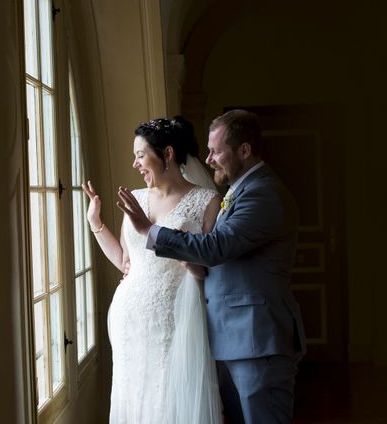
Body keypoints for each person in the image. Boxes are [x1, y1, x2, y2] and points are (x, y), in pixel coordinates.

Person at [117, 109, 307, 424]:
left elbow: (217, 247)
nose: (207, 159)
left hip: (258, 343)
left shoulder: (263, 194)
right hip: (235, 339)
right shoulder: (239, 190)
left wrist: (148, 231)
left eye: (216, 151)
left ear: (244, 151)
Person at [83, 116, 223, 423]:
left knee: (167, 401)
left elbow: (208, 268)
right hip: (128, 323)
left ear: (168, 154)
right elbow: (124, 260)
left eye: (140, 155)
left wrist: (186, 259)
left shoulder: (206, 201)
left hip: (174, 321)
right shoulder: (135, 199)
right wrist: (96, 223)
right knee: (134, 401)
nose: (135, 164)